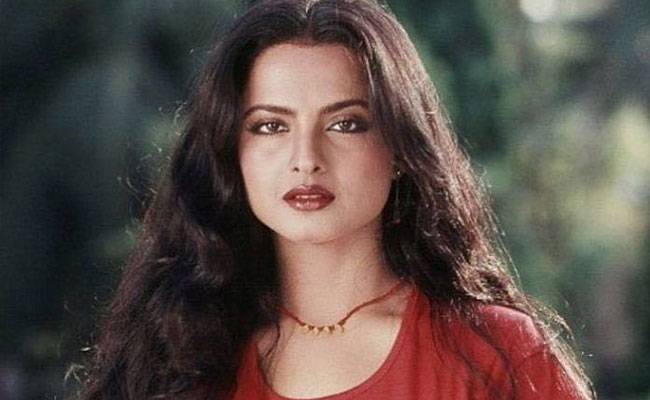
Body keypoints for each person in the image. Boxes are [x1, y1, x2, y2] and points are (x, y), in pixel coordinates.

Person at [77, 0, 595, 399]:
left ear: (400, 149)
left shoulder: (493, 352)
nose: (306, 159)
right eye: (271, 126)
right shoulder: (169, 357)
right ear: (232, 152)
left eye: (345, 124)